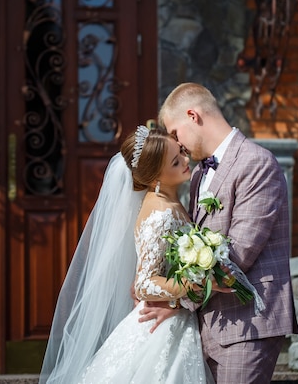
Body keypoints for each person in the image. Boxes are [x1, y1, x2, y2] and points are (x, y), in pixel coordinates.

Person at [139, 83, 298, 384]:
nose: (178, 146)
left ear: (193, 115)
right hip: (207, 323)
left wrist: (176, 302)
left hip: (247, 323)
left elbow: (236, 255)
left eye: (175, 134)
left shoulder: (256, 163)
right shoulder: (199, 173)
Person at [39, 125, 215, 384]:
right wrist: (195, 286)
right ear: (156, 177)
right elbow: (144, 283)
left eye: (181, 153)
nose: (186, 161)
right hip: (159, 326)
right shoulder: (160, 215)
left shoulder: (171, 201)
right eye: (176, 162)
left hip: (174, 317)